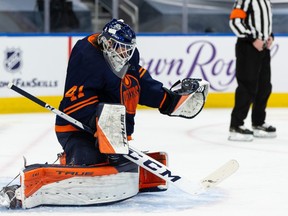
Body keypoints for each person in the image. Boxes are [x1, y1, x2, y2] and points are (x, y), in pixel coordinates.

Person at [0, 18, 209, 209]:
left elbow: (137, 83)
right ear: (107, 42)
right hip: (76, 129)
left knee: (115, 150)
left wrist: (168, 100)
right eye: (119, 47)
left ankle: (113, 150)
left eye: (128, 49)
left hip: (112, 134)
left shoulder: (128, 55)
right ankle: (63, 166)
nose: (124, 53)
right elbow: (76, 102)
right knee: (88, 159)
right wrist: (101, 126)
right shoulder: (86, 53)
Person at [228, 0, 277, 141]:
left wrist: (270, 36)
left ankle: (258, 122)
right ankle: (236, 125)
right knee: (247, 86)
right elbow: (235, 22)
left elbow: (265, 23)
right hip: (248, 47)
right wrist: (252, 38)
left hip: (263, 48)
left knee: (264, 86)